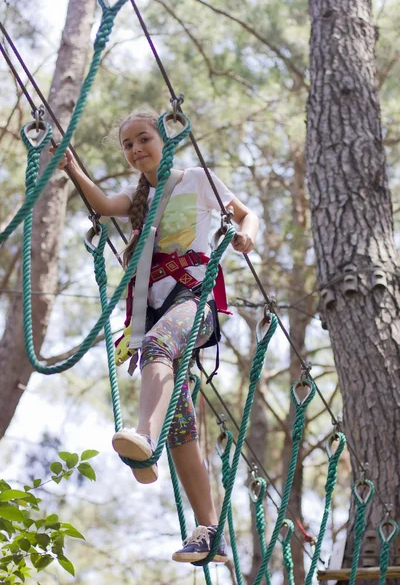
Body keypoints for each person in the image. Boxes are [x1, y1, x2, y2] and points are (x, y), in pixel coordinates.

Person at [50, 106, 258, 564]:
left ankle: (143, 436)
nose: (135, 149)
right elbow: (104, 207)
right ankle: (209, 533)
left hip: (195, 303)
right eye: (127, 145)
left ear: (164, 139)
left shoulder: (198, 179)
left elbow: (247, 214)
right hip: (157, 311)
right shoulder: (139, 199)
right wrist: (71, 168)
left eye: (143, 138)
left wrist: (245, 236)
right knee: (181, 426)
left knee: (161, 348)